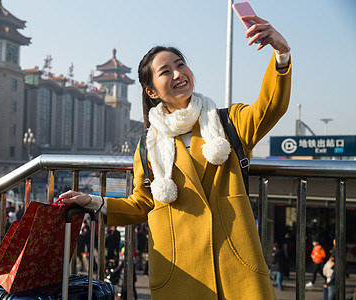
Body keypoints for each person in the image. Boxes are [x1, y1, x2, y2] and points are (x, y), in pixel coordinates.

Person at [60, 12, 291, 299]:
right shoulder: (148, 146)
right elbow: (140, 205)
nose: (178, 74)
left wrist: (281, 53)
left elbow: (271, 107)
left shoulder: (228, 123)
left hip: (235, 270)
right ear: (152, 91)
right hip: (180, 275)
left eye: (180, 65)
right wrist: (92, 202)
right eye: (166, 71)